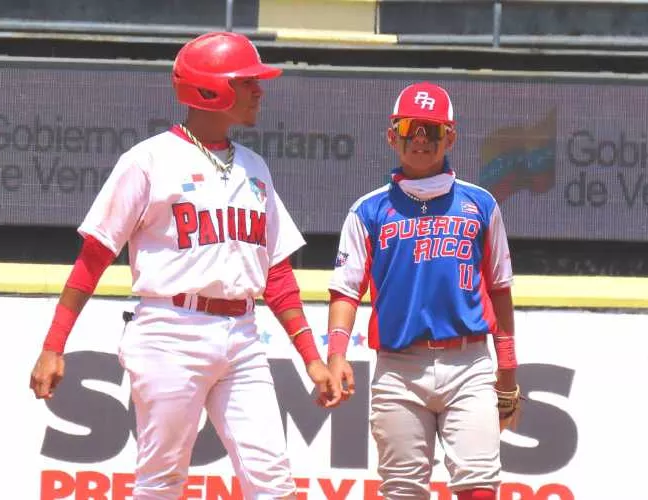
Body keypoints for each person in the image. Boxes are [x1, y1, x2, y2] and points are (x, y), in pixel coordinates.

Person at [29, 31, 341, 500]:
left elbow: (275, 272)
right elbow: (94, 256)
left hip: (242, 335)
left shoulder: (255, 166)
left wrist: (311, 358)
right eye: (247, 81)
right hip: (170, 331)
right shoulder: (149, 160)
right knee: (162, 483)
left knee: (274, 482)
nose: (260, 90)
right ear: (211, 90)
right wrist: (54, 345)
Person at [324, 82, 522, 500]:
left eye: (431, 130)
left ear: (450, 137)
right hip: (398, 368)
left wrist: (507, 375)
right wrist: (337, 353)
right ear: (391, 134)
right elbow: (345, 290)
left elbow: (500, 289)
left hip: (468, 363)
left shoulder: (482, 204)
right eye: (410, 128)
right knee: (402, 492)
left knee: (480, 489)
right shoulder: (368, 210)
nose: (419, 139)